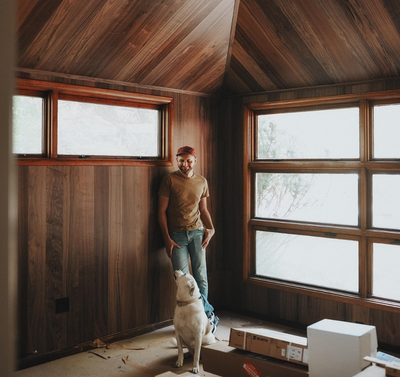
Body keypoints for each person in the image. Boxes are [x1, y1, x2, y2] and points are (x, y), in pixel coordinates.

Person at [158, 146, 219, 333]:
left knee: (201, 277)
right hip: (177, 237)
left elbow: (204, 210)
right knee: (183, 280)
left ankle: (204, 317)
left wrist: (211, 228)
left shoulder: (202, 181)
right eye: (181, 160)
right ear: (177, 160)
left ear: (195, 160)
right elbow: (161, 211)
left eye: (189, 160)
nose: (185, 164)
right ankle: (199, 317)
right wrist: (167, 239)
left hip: (197, 234)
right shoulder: (169, 179)